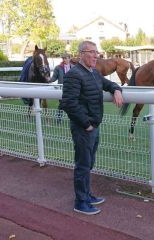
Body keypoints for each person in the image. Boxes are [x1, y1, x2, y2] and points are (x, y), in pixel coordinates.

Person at [61, 40, 124, 215]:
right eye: (92, 52)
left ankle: (87, 195)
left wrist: (117, 90)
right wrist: (86, 124)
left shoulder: (94, 73)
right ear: (81, 54)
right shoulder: (74, 75)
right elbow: (68, 103)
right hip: (84, 128)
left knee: (89, 163)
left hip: (93, 127)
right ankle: (80, 202)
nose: (96, 55)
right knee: (82, 164)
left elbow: (109, 84)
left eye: (97, 52)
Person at [51, 53, 73, 122]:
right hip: (62, 89)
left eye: (66, 58)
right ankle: (59, 119)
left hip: (72, 89)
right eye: (63, 58)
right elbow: (54, 78)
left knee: (73, 104)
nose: (65, 60)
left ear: (69, 58)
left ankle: (73, 119)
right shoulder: (58, 67)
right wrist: (48, 80)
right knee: (62, 104)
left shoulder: (74, 67)